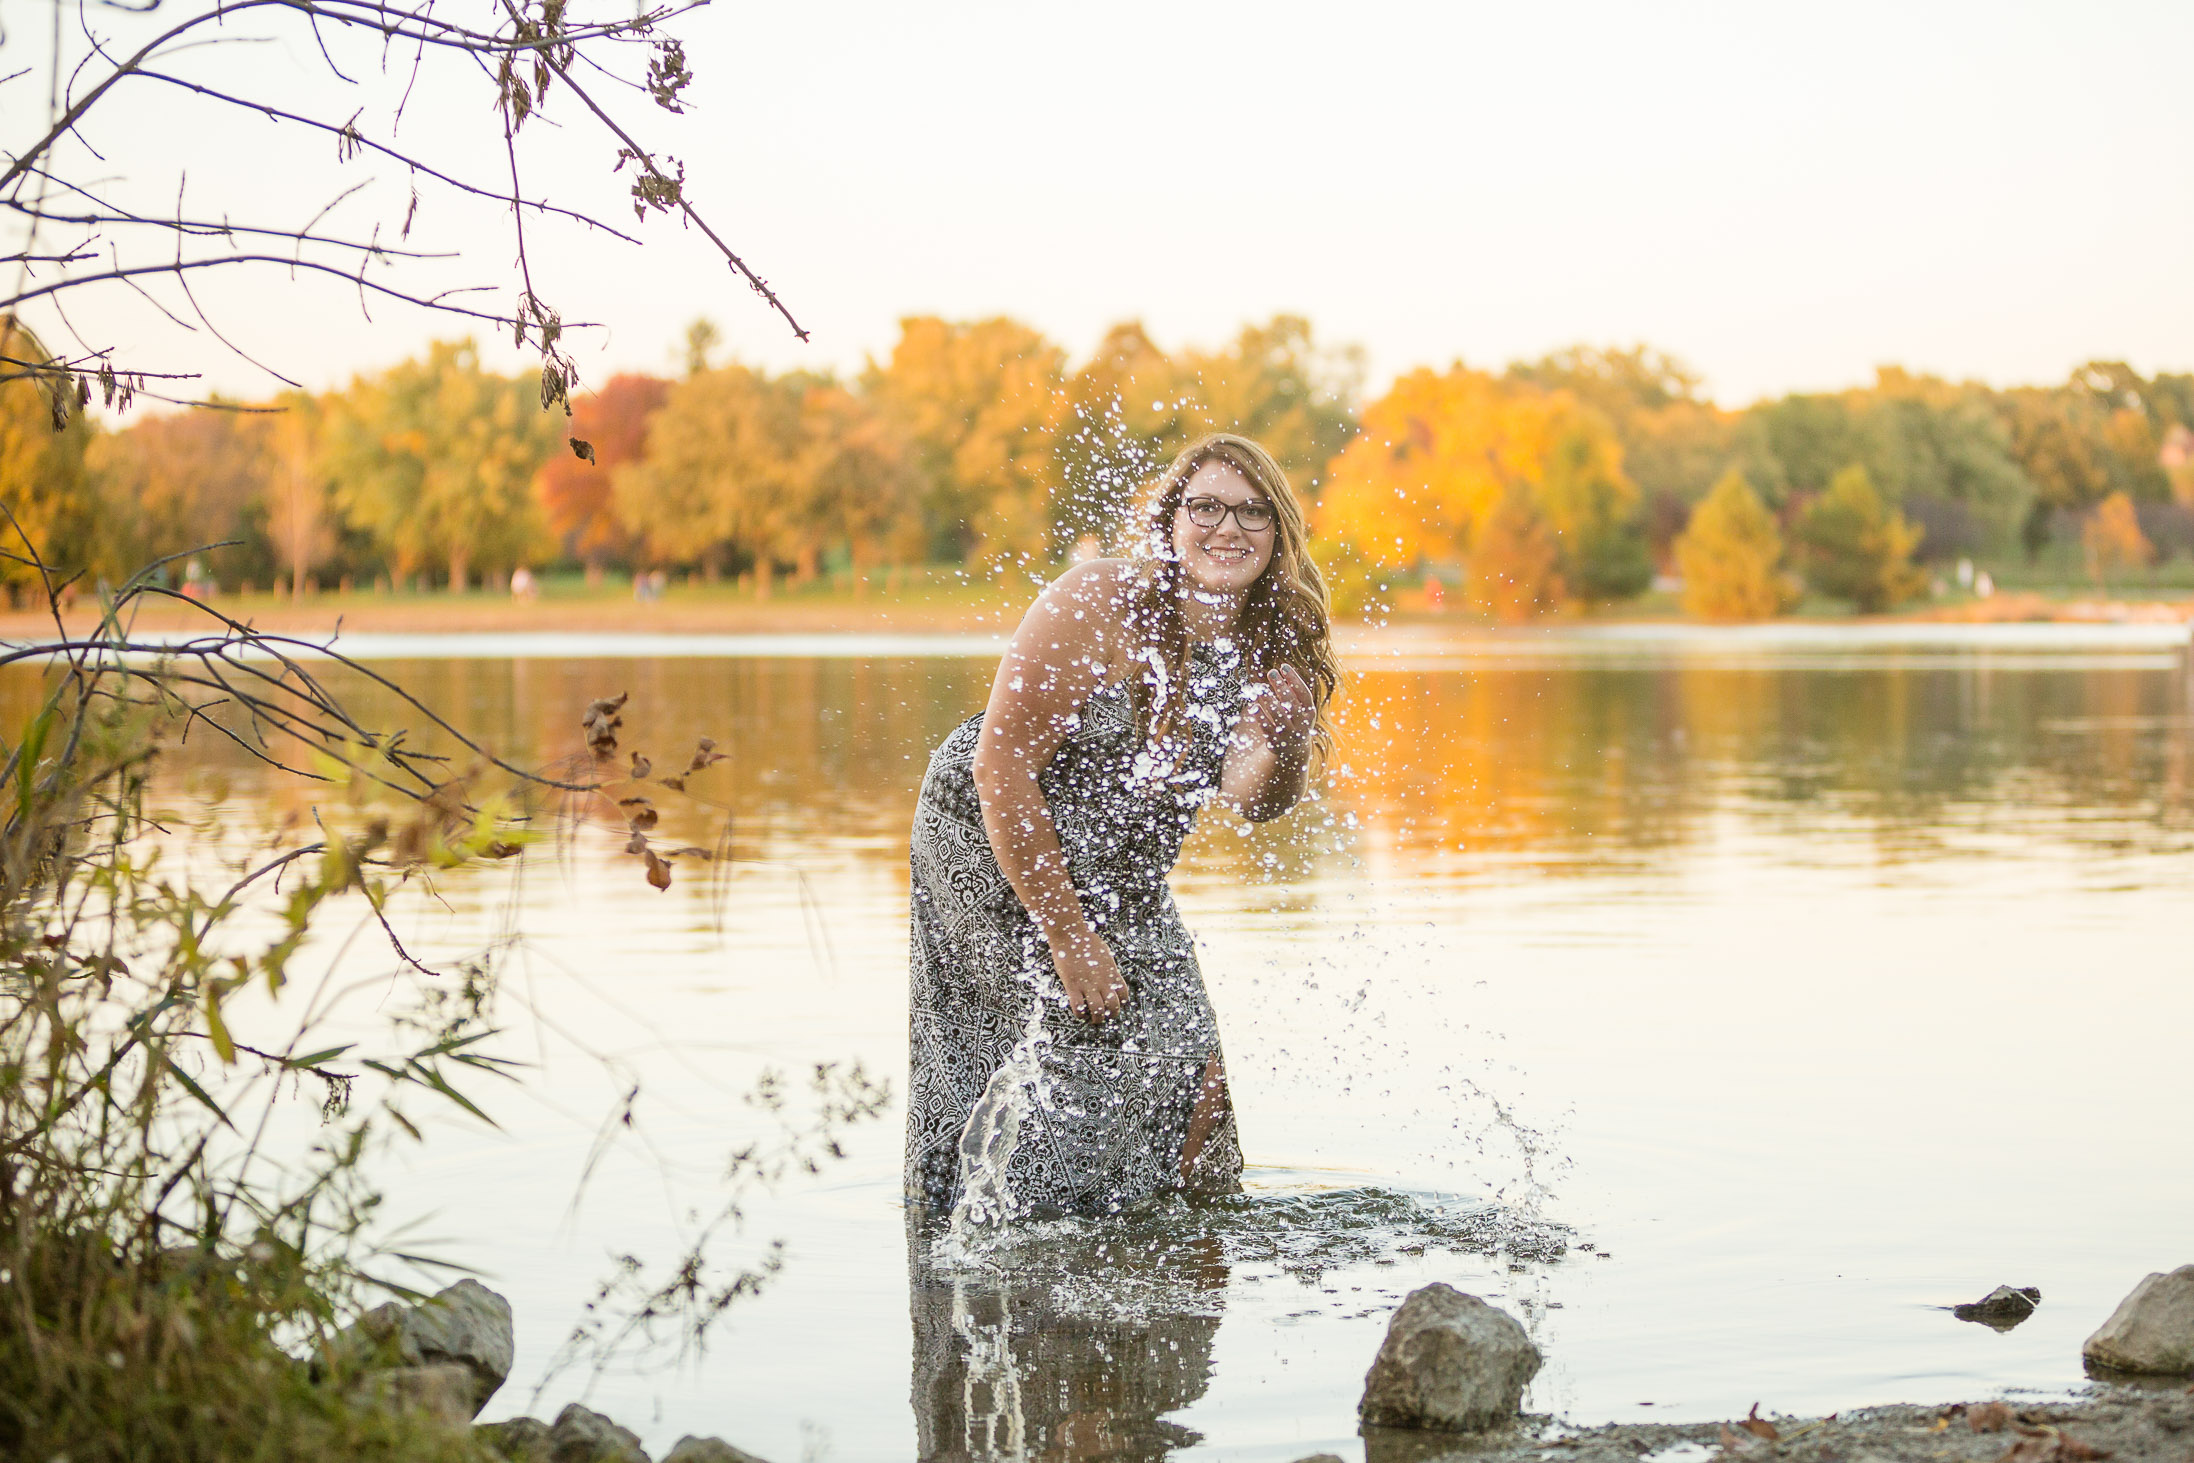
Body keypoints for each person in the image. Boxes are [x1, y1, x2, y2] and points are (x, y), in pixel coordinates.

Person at [904, 433, 1340, 1220]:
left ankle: (1165, 1256)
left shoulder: (1268, 643)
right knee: (1063, 1033)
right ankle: (1000, 1231)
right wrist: (1069, 936)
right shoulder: (1101, 601)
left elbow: (1251, 797)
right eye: (1206, 505)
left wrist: (1286, 741)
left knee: (1192, 1065)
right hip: (989, 834)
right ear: (1171, 521)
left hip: (1124, 865)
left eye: (1252, 511)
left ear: (1277, 536)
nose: (1227, 527)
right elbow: (1000, 768)